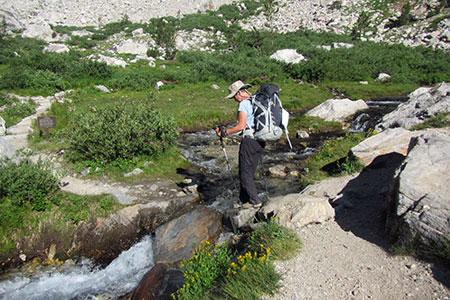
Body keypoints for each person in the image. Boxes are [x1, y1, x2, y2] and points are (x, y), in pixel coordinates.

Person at [215, 80, 265, 208]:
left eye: (233, 97)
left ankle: (255, 200)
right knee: (249, 171)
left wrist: (225, 132)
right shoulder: (257, 101)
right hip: (261, 140)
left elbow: (241, 126)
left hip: (249, 141)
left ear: (239, 93)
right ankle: (243, 200)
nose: (234, 100)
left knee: (244, 173)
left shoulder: (243, 104)